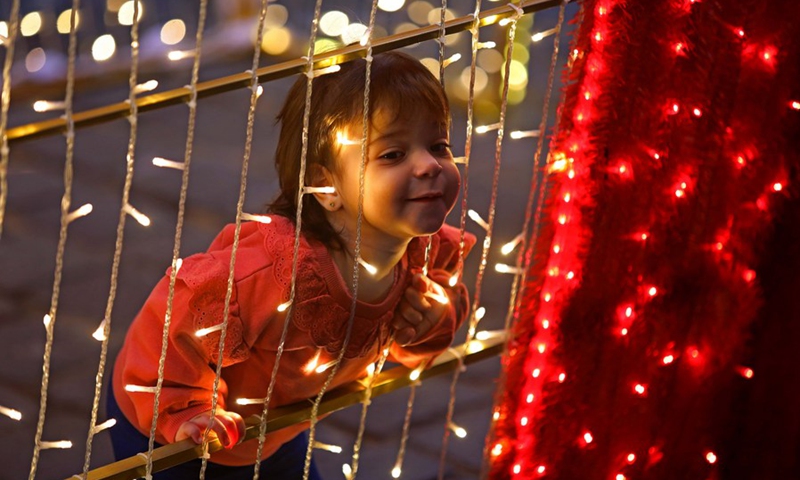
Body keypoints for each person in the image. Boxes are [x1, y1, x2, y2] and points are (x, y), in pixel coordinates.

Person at [107, 51, 476, 479]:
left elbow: (410, 350)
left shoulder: (426, 259)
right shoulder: (270, 278)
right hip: (175, 436)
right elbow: (169, 321)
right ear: (326, 186)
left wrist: (431, 322)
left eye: (438, 146)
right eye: (393, 154)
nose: (430, 165)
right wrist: (187, 408)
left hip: (276, 428)